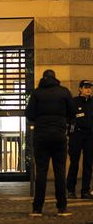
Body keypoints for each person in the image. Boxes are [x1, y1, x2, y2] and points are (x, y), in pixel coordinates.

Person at [25, 69, 76, 217]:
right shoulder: (64, 92)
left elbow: (29, 113)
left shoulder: (36, 93)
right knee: (60, 171)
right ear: (55, 78)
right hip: (59, 135)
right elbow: (72, 111)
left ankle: (37, 208)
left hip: (41, 135)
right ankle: (62, 207)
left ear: (43, 78)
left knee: (41, 172)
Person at [67, 80, 93, 199]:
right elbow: (67, 118)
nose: (89, 90)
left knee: (88, 164)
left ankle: (85, 191)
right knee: (74, 163)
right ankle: (71, 190)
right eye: (86, 87)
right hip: (76, 136)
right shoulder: (73, 102)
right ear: (80, 89)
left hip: (90, 136)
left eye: (90, 88)